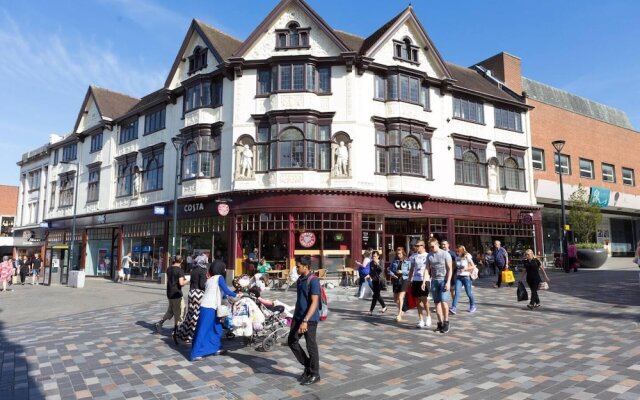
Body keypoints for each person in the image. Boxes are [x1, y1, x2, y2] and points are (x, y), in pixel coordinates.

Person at [191, 260, 239, 361]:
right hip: (209, 307)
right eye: (224, 268)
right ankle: (195, 353)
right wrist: (237, 295)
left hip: (210, 307)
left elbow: (222, 292)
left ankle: (216, 348)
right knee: (203, 330)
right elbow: (226, 290)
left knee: (217, 328)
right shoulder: (219, 277)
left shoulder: (210, 279)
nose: (225, 270)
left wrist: (230, 295)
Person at [288, 255, 321, 385]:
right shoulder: (300, 279)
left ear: (306, 266)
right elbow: (299, 300)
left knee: (311, 346)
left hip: (309, 319)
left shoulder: (313, 280)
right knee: (292, 341)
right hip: (298, 317)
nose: (296, 268)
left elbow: (314, 302)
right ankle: (308, 366)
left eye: (298, 266)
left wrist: (305, 320)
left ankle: (315, 374)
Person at [175, 255, 208, 344]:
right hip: (199, 294)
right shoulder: (203, 270)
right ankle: (191, 335)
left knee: (190, 314)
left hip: (191, 293)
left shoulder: (193, 270)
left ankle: (183, 333)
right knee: (196, 315)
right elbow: (202, 285)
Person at [155, 255, 186, 338]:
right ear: (181, 261)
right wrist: (187, 281)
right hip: (177, 294)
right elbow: (181, 283)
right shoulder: (180, 271)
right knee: (179, 312)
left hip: (169, 293)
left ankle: (160, 323)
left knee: (171, 310)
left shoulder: (169, 269)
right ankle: (176, 330)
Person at [425, 238, 453, 333]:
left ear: (437, 244)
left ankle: (446, 322)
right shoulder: (429, 255)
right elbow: (426, 269)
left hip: (443, 280)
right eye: (430, 247)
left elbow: (450, 269)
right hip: (434, 281)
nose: (431, 248)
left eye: (433, 246)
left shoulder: (445, 254)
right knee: (436, 303)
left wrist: (448, 282)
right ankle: (439, 323)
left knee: (444, 302)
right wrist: (425, 280)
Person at [409, 240, 432, 329]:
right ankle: (421, 319)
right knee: (417, 301)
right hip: (415, 280)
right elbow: (411, 269)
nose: (416, 247)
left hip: (425, 280)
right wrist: (409, 279)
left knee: (424, 299)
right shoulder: (413, 256)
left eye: (418, 245)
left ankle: (428, 316)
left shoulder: (427, 256)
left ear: (423, 246)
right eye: (416, 245)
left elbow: (430, 268)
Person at [450, 245, 476, 314]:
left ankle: (472, 305)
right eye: (456, 251)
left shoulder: (467, 256)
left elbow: (473, 266)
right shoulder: (456, 258)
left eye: (458, 251)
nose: (457, 253)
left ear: (462, 251)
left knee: (468, 293)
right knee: (457, 293)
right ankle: (454, 308)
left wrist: (465, 269)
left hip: (466, 277)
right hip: (458, 277)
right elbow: (455, 267)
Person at [389, 247, 411, 322]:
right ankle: (403, 309)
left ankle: (399, 314)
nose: (399, 255)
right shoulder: (394, 261)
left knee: (400, 298)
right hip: (396, 280)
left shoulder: (407, 261)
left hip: (404, 280)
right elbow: (390, 270)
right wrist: (392, 274)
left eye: (400, 253)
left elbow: (410, 271)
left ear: (403, 253)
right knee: (396, 300)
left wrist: (402, 272)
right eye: (397, 254)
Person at [367, 251, 387, 315]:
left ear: (378, 256)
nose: (374, 257)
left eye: (375, 256)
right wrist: (369, 275)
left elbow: (381, 269)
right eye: (373, 256)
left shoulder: (381, 261)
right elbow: (371, 272)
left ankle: (371, 310)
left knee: (375, 295)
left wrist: (377, 264)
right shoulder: (371, 263)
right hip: (374, 280)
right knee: (376, 295)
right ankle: (384, 306)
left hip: (380, 281)